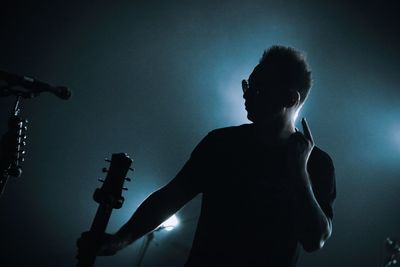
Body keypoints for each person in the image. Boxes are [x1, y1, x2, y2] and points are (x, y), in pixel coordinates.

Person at [77, 45, 336, 267]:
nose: (246, 94)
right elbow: (171, 197)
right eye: (247, 85)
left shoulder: (317, 164)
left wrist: (299, 171)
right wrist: (119, 241)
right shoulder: (221, 143)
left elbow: (315, 240)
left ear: (290, 98)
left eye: (258, 89)